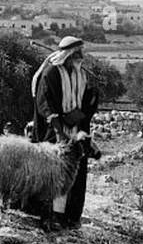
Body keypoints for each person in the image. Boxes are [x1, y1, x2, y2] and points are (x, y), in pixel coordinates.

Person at [30, 35, 99, 227]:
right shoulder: (50, 73)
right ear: (68, 54)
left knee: (74, 173)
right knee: (53, 175)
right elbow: (45, 104)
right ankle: (50, 216)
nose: (81, 56)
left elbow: (85, 101)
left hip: (76, 131)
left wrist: (93, 97)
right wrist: (59, 128)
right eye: (77, 53)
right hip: (54, 132)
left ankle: (70, 216)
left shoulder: (80, 73)